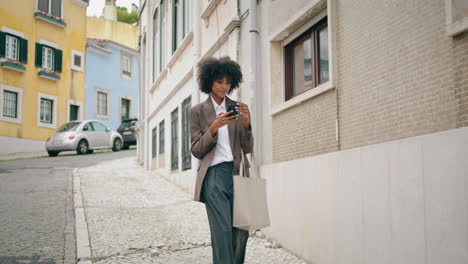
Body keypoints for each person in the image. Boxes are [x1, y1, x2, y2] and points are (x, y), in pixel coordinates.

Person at [189, 56, 254, 264]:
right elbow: (196, 150)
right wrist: (214, 128)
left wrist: (246, 123)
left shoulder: (238, 107)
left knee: (241, 231)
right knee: (222, 231)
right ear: (209, 82)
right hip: (214, 176)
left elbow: (248, 147)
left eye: (228, 82)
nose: (224, 86)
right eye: (220, 82)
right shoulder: (197, 112)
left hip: (238, 173)